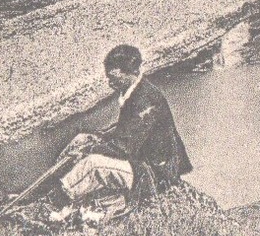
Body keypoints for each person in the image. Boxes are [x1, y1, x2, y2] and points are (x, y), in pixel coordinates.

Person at [50, 44, 193, 223]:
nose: (110, 83)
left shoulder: (146, 101)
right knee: (82, 139)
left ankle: (59, 198)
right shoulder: (135, 91)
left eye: (113, 77)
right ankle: (56, 180)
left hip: (154, 172)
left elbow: (124, 147)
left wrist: (90, 148)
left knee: (93, 164)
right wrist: (95, 137)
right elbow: (125, 130)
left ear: (129, 72)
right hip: (141, 160)